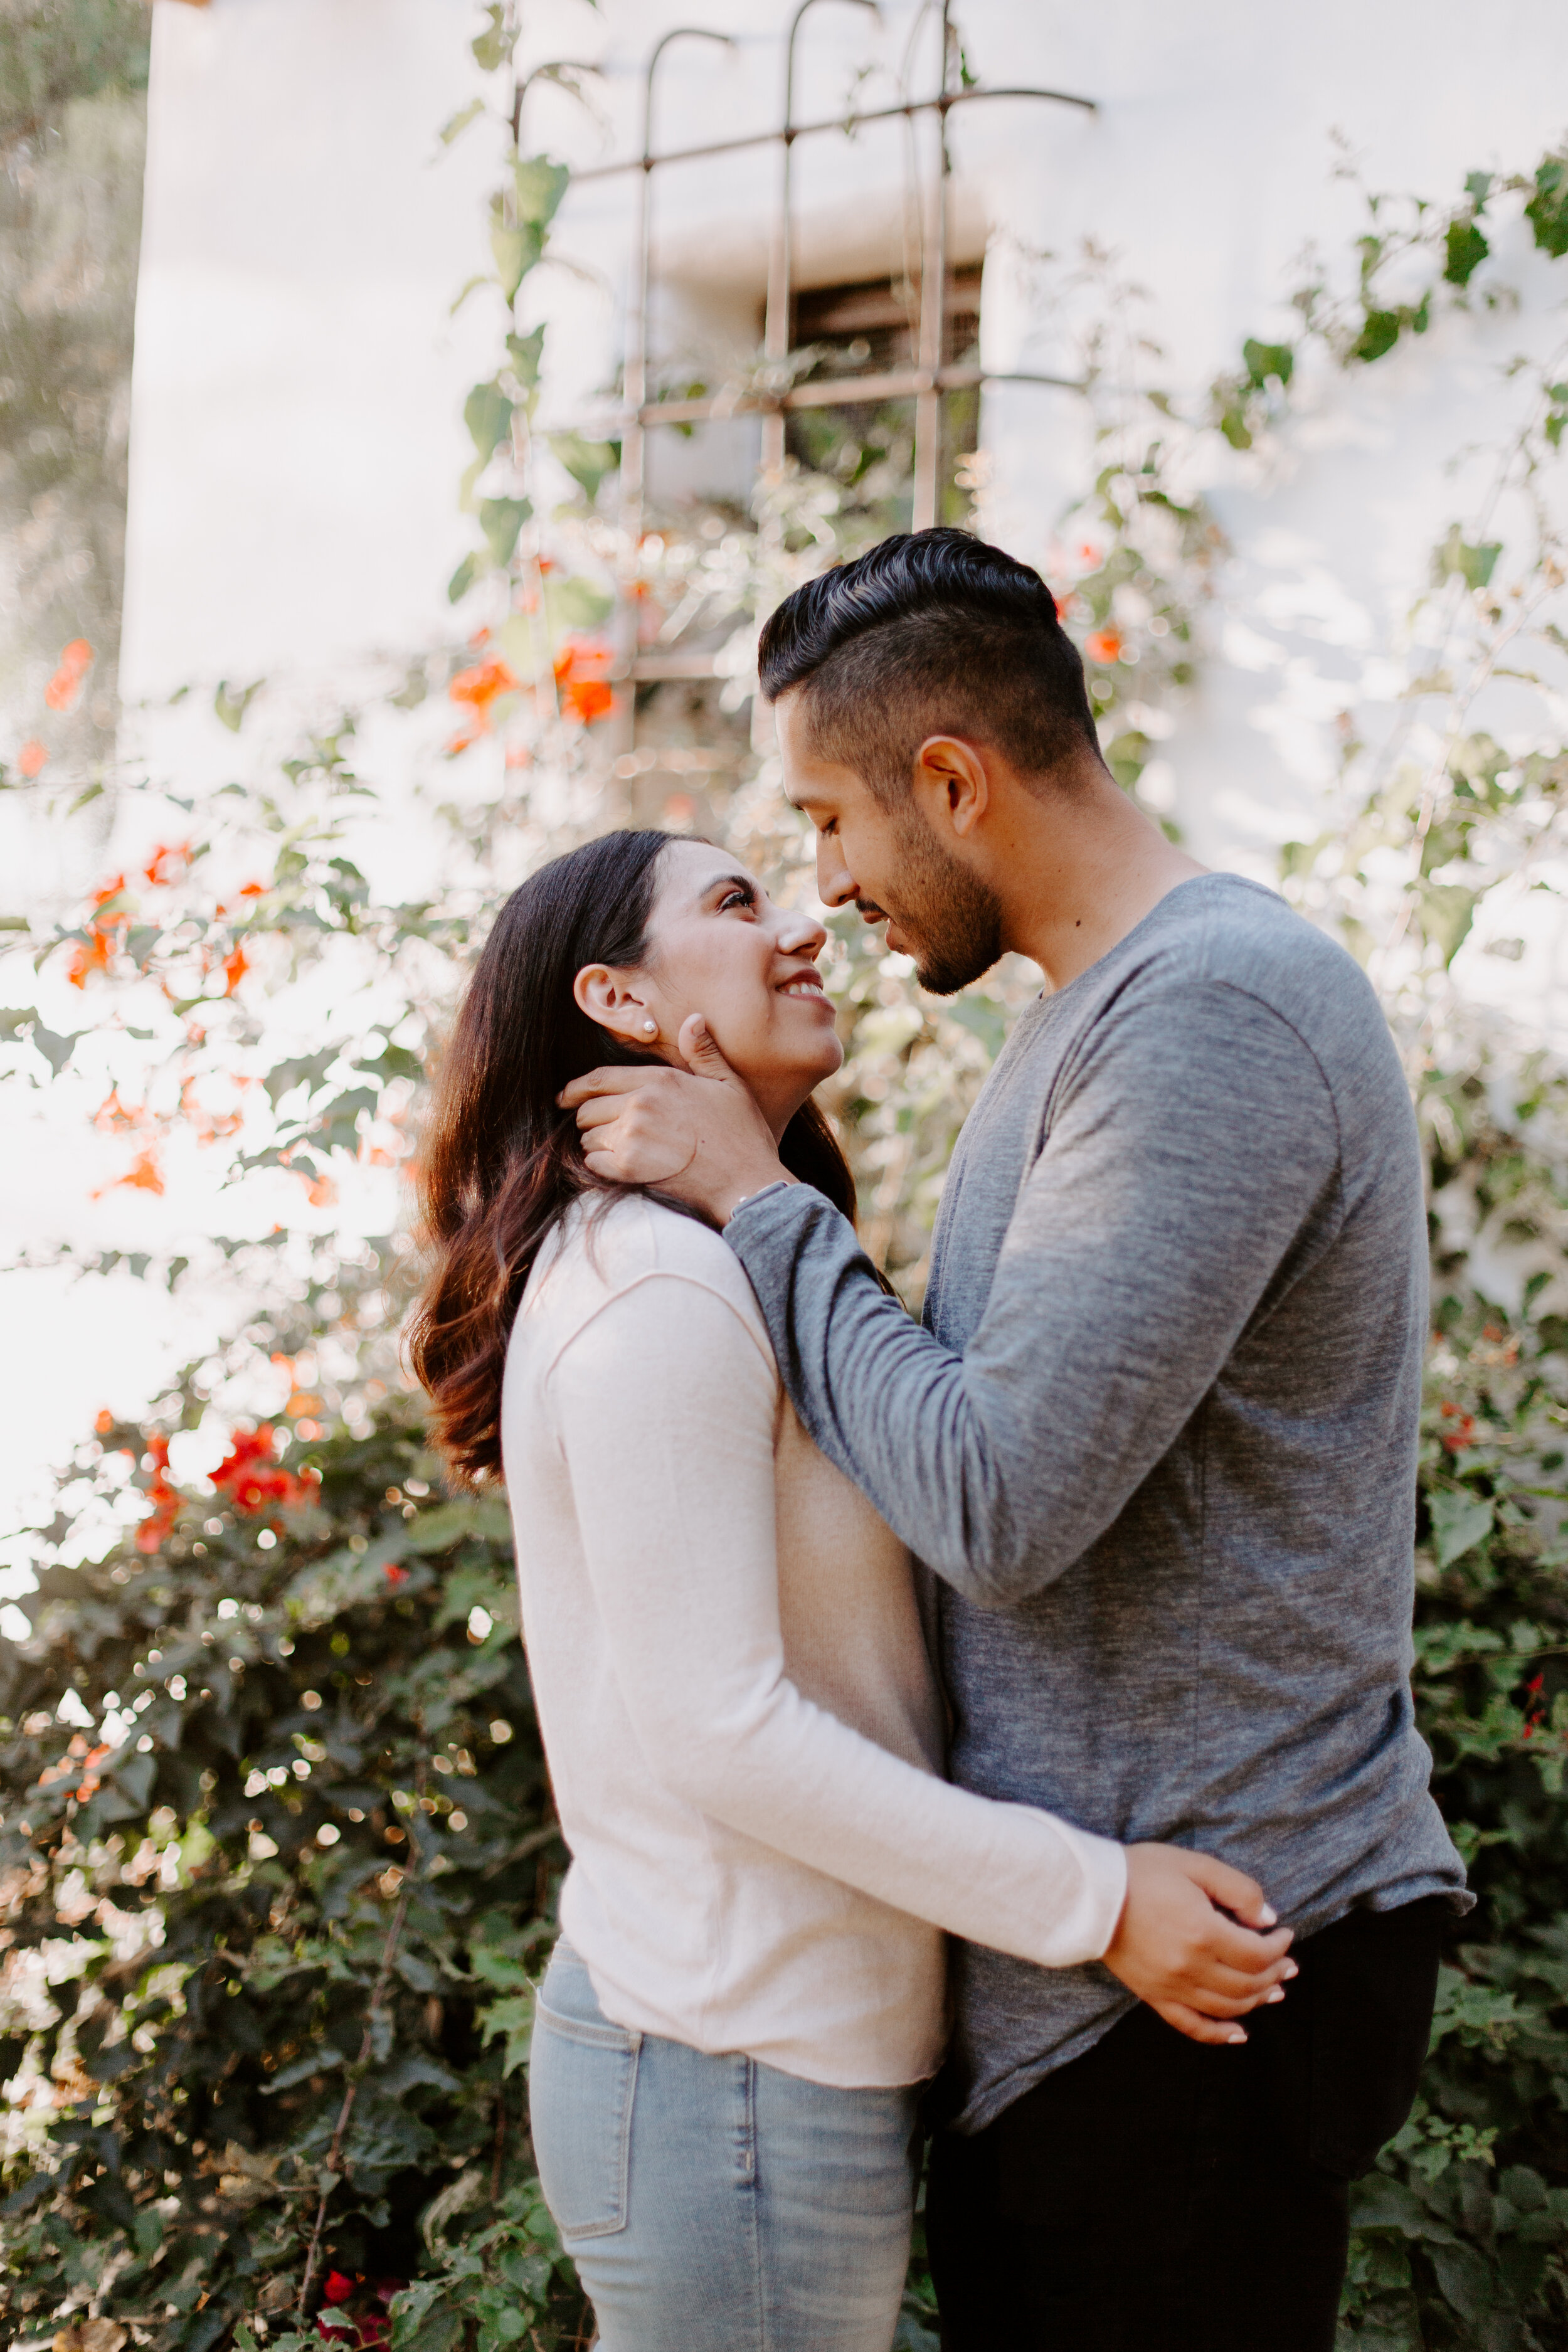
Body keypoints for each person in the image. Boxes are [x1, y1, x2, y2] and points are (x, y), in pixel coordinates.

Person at [559, 531, 1473, 2351]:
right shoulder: (1091, 1023)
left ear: (952, 782)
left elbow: (992, 1496)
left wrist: (756, 1196)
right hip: (1114, 1968)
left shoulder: (1208, 1015)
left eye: (826, 820)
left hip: (1201, 1958)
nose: (825, 887)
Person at [407, 824, 1295, 2352]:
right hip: (730, 2074)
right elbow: (719, 1728)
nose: (806, 922)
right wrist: (1093, 1903)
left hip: (774, 2065)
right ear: (619, 1002)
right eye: (739, 901)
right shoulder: (656, 1291)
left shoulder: (724, 1254)